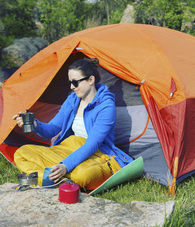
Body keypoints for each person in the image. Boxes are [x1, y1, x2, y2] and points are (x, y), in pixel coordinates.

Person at [12, 58, 133, 190]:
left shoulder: (106, 106)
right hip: (69, 147)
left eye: (75, 83)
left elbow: (92, 144)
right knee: (22, 153)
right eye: (70, 83)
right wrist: (35, 124)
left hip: (98, 153)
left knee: (82, 175)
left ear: (91, 80)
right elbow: (52, 130)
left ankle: (45, 179)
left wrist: (65, 165)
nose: (71, 87)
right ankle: (59, 181)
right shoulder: (72, 100)